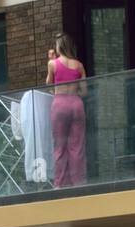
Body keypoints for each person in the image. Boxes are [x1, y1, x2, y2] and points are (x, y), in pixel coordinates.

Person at [45, 33, 87, 188]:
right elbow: (84, 91)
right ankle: (79, 183)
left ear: (58, 46)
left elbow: (48, 84)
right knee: (77, 146)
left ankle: (60, 184)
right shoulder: (79, 65)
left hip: (60, 104)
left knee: (60, 145)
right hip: (76, 104)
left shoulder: (53, 64)